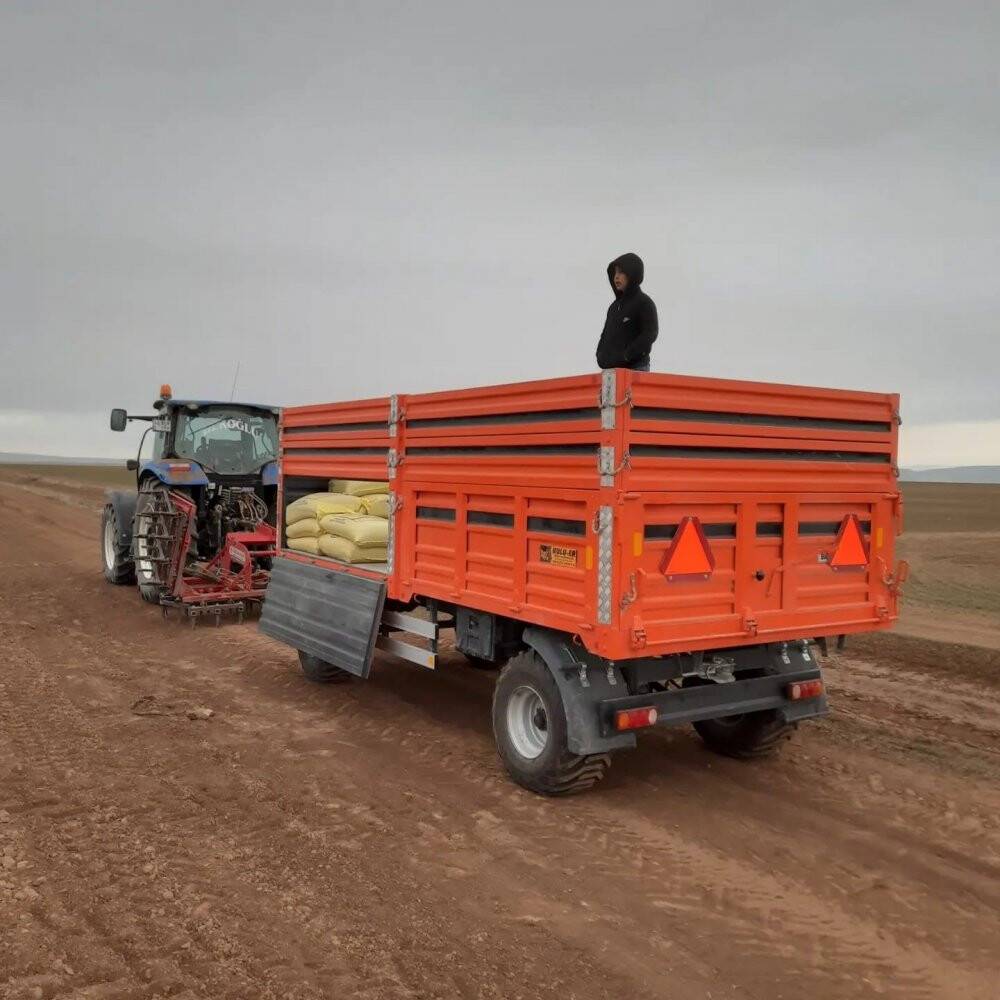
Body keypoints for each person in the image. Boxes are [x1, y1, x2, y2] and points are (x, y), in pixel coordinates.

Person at [595, 252, 658, 371]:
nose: (616, 277)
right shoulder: (614, 308)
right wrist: (600, 356)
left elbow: (650, 333)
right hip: (612, 372)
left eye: (621, 272)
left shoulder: (644, 303)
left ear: (632, 274)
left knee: (631, 391)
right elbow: (605, 335)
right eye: (615, 272)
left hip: (636, 369)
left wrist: (627, 355)